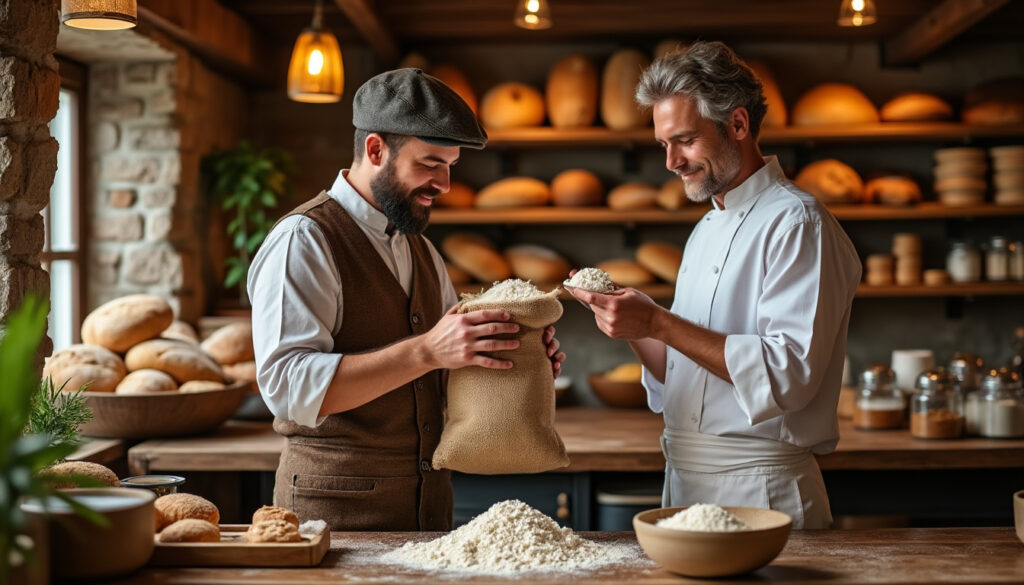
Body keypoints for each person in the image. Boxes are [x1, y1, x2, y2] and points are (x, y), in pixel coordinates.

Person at [248, 68, 565, 531]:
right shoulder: (305, 239)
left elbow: (443, 365)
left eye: (450, 167)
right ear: (376, 150)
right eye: (430, 163)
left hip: (426, 510)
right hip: (334, 516)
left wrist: (515, 355)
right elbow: (288, 388)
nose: (444, 184)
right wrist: (428, 350)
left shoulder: (419, 247)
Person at [569, 42, 861, 529]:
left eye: (684, 140)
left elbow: (788, 373)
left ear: (739, 125)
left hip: (765, 491)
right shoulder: (706, 228)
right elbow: (686, 371)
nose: (671, 162)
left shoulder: (797, 222)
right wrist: (631, 322)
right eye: (664, 144)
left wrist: (659, 320)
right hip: (686, 483)